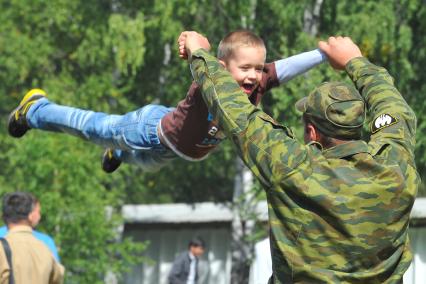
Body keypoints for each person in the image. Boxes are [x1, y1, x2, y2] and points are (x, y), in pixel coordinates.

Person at [179, 31, 419, 283]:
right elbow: (395, 110)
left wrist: (199, 53)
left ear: (312, 132)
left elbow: (234, 110)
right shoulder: (395, 167)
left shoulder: (293, 168)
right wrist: (355, 60)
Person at [7, 30, 326, 173]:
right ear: (222, 65)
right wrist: (189, 40)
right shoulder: (210, 81)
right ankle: (36, 109)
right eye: (245, 68)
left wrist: (324, 54)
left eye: (258, 68)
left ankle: (119, 153)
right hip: (149, 130)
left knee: (143, 164)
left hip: (173, 149)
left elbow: (285, 67)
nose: (254, 76)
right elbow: (197, 49)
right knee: (92, 128)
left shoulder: (256, 83)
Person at [0, 192, 64, 283]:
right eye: (38, 212)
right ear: (31, 216)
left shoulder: (2, 247)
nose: (40, 216)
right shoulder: (46, 247)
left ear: (4, 216)